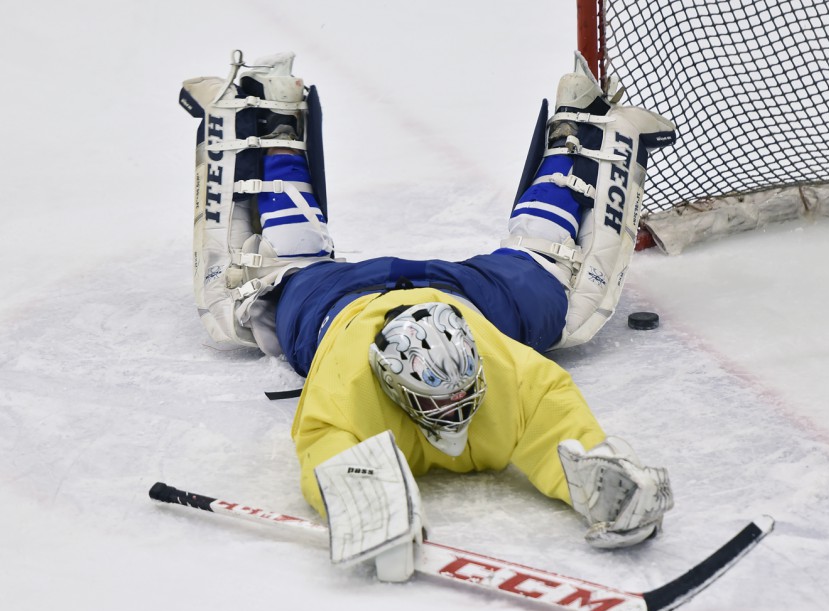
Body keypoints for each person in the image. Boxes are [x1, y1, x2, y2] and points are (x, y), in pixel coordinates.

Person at [179, 50, 678, 581]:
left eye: (465, 390)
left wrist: (604, 480)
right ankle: (573, 133)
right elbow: (325, 448)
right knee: (549, 277)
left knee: (274, 274)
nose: (459, 407)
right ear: (390, 385)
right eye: (441, 397)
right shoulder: (353, 378)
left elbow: (558, 424)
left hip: (424, 298)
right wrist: (367, 502)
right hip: (377, 301)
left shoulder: (493, 368)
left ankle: (277, 124)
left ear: (475, 359)